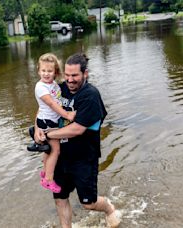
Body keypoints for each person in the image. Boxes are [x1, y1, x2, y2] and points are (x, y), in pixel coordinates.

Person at [34, 53, 121, 227]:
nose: (70, 80)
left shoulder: (90, 96)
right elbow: (44, 108)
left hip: (84, 158)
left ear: (85, 74)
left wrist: (48, 135)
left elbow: (77, 129)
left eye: (74, 76)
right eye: (66, 75)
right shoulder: (59, 89)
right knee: (60, 198)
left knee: (88, 203)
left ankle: (109, 208)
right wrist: (37, 129)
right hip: (60, 156)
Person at [30, 53, 76, 193]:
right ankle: (48, 180)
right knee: (56, 150)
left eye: (49, 71)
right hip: (47, 122)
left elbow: (56, 100)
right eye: (43, 71)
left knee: (49, 150)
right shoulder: (41, 87)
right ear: (38, 70)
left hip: (50, 120)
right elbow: (51, 104)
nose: (46, 74)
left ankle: (44, 171)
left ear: (55, 72)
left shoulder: (53, 84)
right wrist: (67, 114)